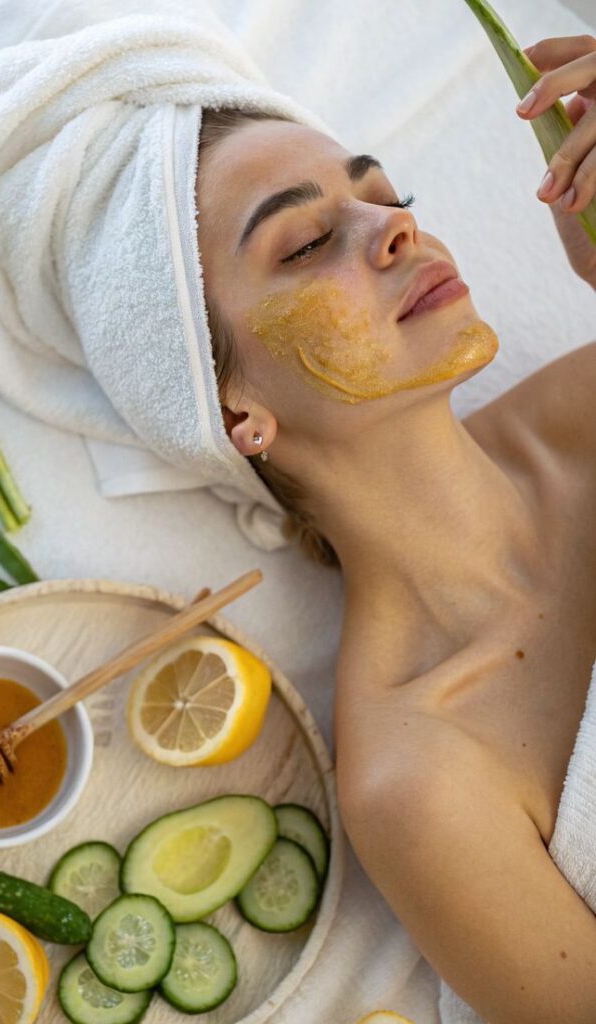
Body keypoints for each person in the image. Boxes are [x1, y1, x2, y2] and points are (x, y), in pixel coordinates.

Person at [196, 33, 596, 1022]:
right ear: (233, 408)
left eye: (388, 197)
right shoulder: (421, 783)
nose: (394, 228)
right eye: (302, 244)